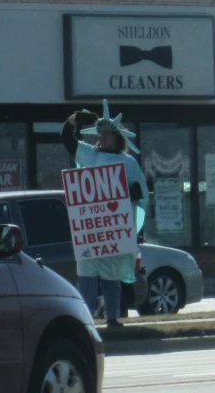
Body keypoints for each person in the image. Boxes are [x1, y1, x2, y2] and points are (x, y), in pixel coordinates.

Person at [61, 99, 149, 328]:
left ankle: (112, 317)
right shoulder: (89, 155)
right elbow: (67, 141)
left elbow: (140, 192)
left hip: (112, 234)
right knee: (87, 280)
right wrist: (72, 121)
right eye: (101, 133)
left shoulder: (127, 163)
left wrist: (126, 193)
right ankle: (86, 320)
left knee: (111, 278)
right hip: (90, 233)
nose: (102, 137)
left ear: (118, 138)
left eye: (108, 134)